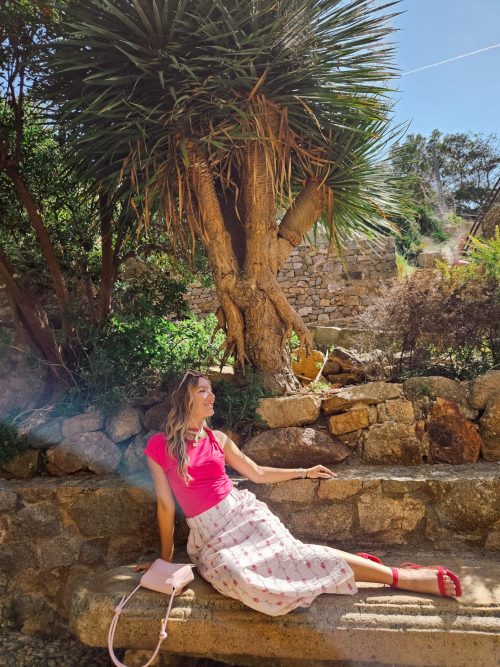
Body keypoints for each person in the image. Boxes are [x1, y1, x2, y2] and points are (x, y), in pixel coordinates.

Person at [134, 371, 461, 616]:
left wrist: (304, 471)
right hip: (211, 537)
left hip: (243, 515)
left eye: (211, 390)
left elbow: (257, 473)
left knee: (294, 558)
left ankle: (399, 576)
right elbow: (165, 506)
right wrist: (165, 561)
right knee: (241, 579)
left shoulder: (217, 439)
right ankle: (347, 566)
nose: (212, 396)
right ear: (185, 399)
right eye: (203, 391)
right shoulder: (159, 446)